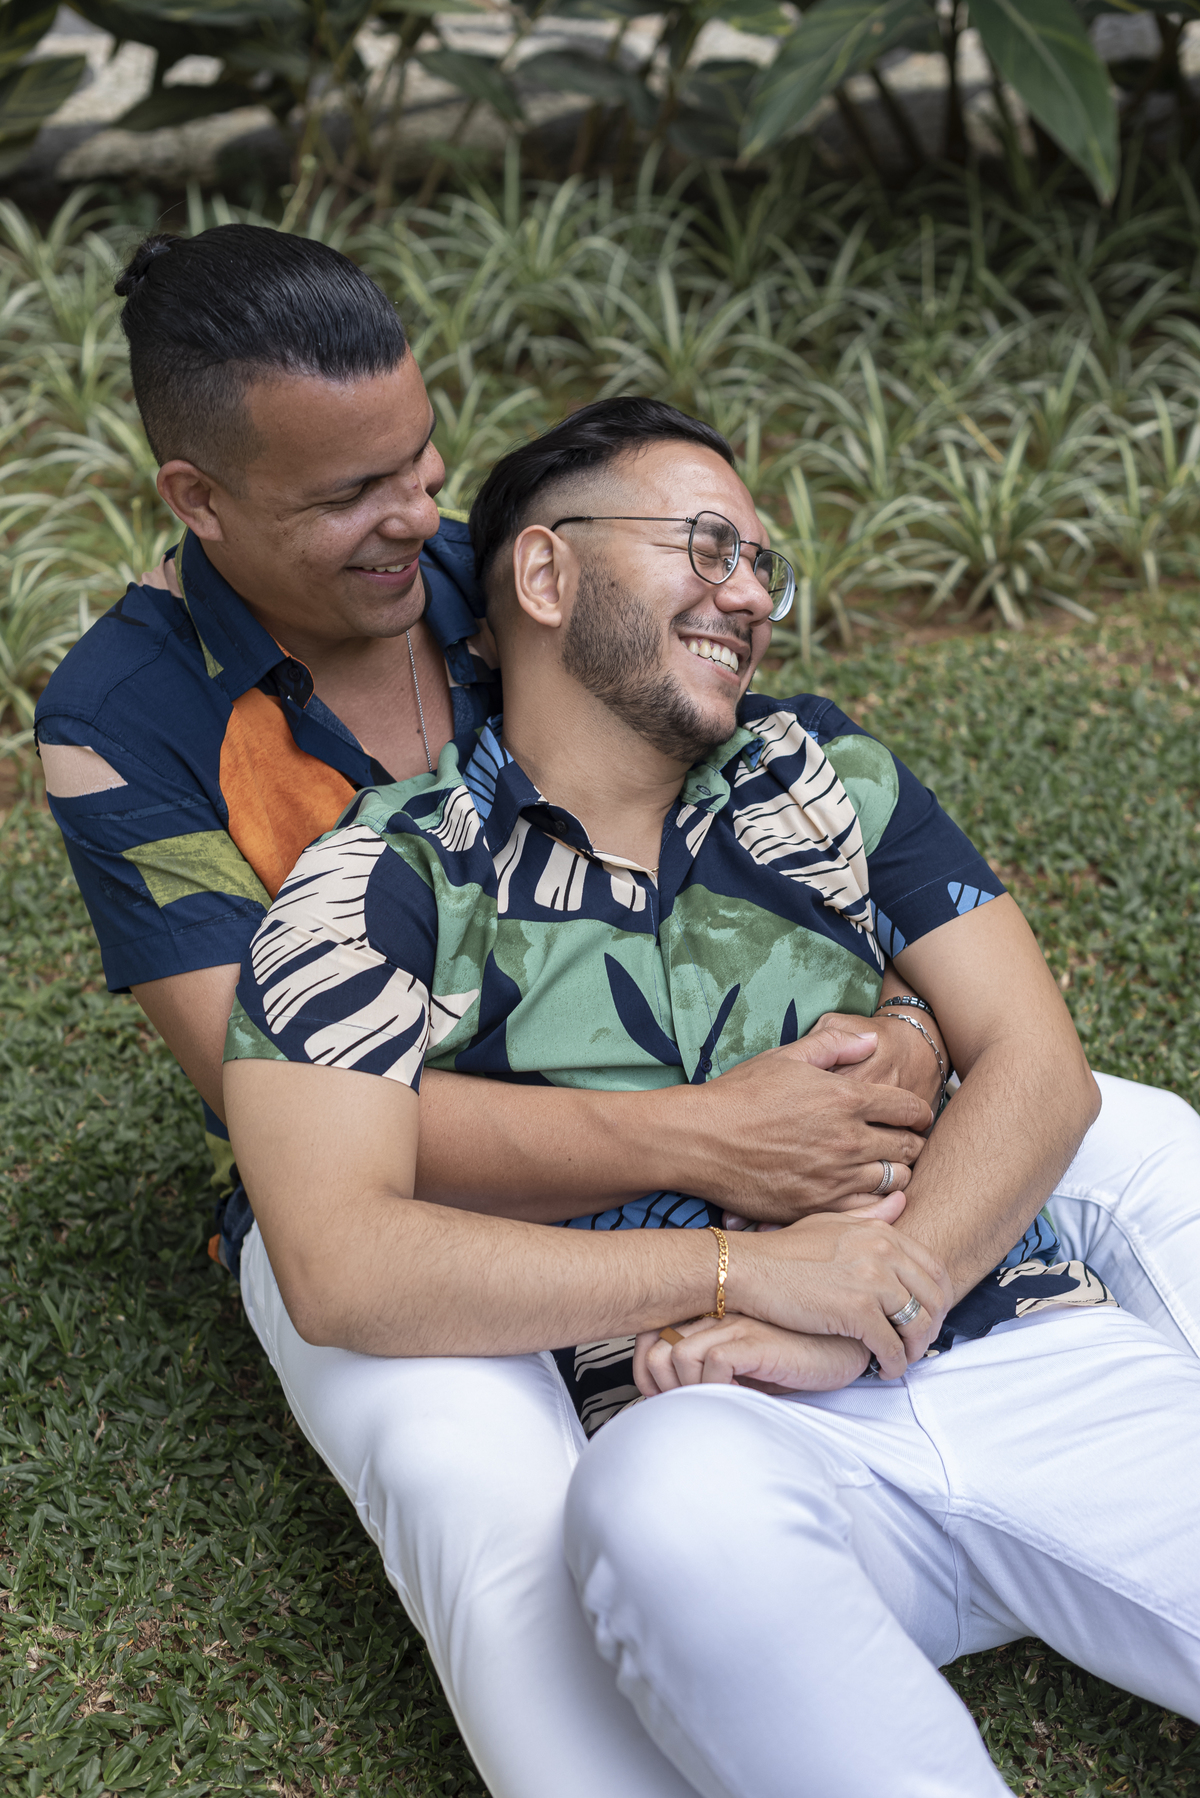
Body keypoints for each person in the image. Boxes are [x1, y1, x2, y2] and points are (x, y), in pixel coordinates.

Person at [33, 229, 1199, 1797]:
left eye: (423, 461)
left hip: (756, 1098)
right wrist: (713, 1158)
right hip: (415, 1168)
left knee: (1144, 1142)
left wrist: (903, 1045)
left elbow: (784, 840)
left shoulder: (526, 570)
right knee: (498, 1499)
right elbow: (310, 1146)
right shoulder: (128, 724)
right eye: (352, 494)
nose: (416, 519)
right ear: (201, 497)